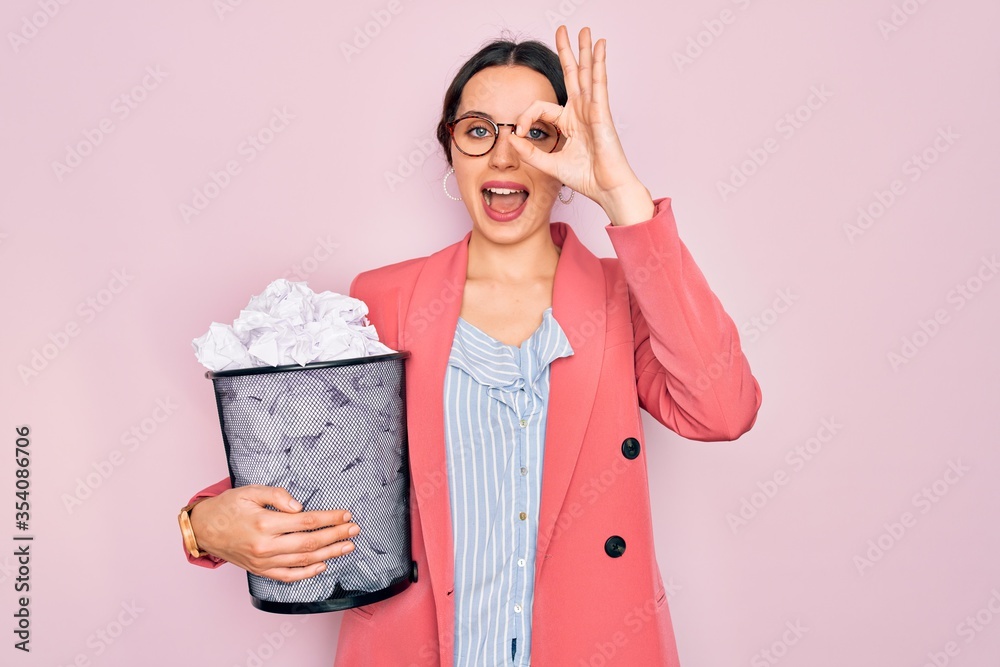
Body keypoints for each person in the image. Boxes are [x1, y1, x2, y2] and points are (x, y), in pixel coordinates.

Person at [179, 25, 762, 667]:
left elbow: (721, 408)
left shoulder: (624, 296)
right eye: (479, 130)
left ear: (568, 155)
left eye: (536, 133)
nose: (506, 158)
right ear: (450, 150)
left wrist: (621, 193)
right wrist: (204, 524)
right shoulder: (388, 298)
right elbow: (311, 465)